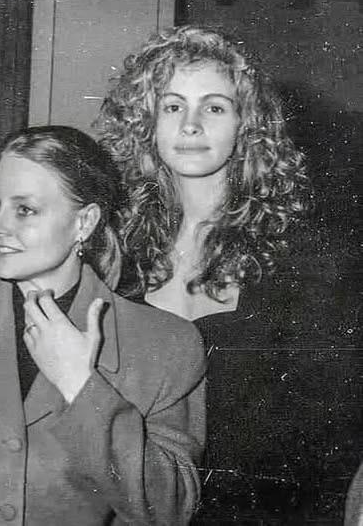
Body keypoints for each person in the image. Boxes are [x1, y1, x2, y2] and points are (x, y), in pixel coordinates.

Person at [0, 125, 206, 525]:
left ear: (85, 222)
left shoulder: (166, 344)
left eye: (24, 209)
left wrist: (80, 383)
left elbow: (170, 510)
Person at [96, 27, 319, 521]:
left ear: (247, 125)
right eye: (173, 106)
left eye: (214, 107)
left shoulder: (301, 260)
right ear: (147, 122)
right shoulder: (110, 252)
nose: (190, 125)